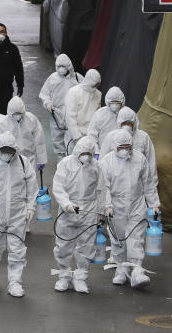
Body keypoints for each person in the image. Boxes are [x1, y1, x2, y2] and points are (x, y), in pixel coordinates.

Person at [0, 132, 38, 297]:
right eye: (3, 150)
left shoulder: (23, 163)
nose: (6, 154)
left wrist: (30, 207)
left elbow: (32, 187)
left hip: (17, 215)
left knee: (17, 251)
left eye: (9, 151)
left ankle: (15, 282)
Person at [99, 129, 160, 289]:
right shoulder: (107, 162)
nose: (125, 150)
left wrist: (153, 204)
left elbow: (148, 183)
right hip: (116, 206)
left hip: (136, 204)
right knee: (118, 239)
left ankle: (137, 270)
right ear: (115, 147)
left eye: (128, 146)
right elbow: (103, 187)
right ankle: (121, 269)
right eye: (121, 147)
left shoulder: (140, 159)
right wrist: (107, 205)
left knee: (136, 238)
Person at [51, 136, 104, 293]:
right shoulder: (66, 164)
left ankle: (81, 278)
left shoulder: (96, 167)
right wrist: (66, 204)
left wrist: (101, 211)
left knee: (86, 245)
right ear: (77, 151)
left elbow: (101, 189)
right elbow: (58, 187)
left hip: (89, 209)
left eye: (89, 153)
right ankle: (64, 276)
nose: (86, 156)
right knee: (63, 244)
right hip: (68, 209)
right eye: (84, 152)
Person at [38, 54, 78, 159]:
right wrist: (47, 103)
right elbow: (44, 93)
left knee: (72, 138)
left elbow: (85, 93)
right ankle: (60, 161)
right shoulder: (53, 78)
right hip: (56, 113)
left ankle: (71, 160)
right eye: (59, 66)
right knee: (57, 138)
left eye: (63, 66)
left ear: (69, 66)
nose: (61, 69)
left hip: (72, 113)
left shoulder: (77, 78)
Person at [0, 96, 47, 173]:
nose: (17, 115)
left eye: (19, 113)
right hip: (11, 159)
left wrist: (41, 159)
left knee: (30, 181)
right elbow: (0, 143)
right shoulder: (2, 123)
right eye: (15, 114)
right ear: (9, 112)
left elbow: (39, 140)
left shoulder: (31, 119)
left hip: (29, 158)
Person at [99, 106, 156, 176]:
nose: (127, 126)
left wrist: (151, 184)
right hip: (115, 178)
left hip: (137, 179)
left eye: (129, 123)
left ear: (134, 123)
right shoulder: (111, 136)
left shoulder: (143, 137)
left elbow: (151, 161)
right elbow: (102, 159)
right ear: (119, 122)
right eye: (124, 123)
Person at [64, 69, 102, 151]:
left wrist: (95, 133)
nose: (95, 87)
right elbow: (70, 117)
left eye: (97, 85)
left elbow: (98, 115)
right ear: (88, 81)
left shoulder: (98, 94)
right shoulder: (74, 92)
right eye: (93, 85)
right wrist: (77, 137)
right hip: (75, 134)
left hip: (91, 135)